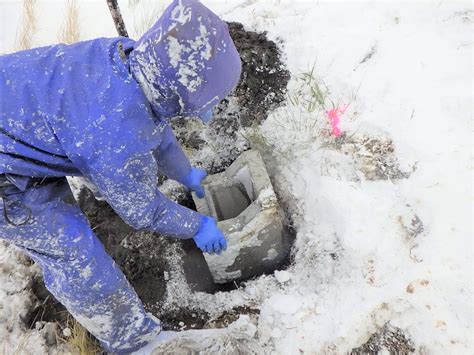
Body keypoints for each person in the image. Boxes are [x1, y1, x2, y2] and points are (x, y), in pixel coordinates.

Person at [0, 0, 241, 353]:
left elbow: (153, 127)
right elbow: (143, 213)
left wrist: (185, 172)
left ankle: (109, 186)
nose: (211, 109)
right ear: (181, 92)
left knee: (101, 157)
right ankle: (132, 340)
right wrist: (198, 226)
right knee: (75, 254)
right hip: (6, 174)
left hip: (24, 117)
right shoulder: (115, 137)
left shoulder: (130, 60)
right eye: (210, 99)